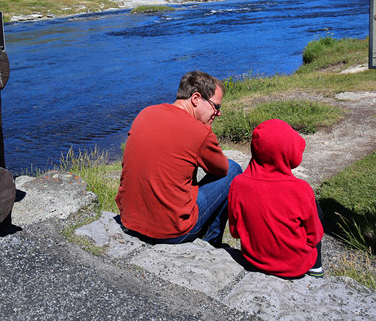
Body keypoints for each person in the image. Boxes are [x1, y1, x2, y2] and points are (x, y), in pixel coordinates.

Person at [115, 70, 242, 246]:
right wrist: (205, 132)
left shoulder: (146, 112)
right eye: (216, 106)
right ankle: (210, 242)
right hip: (171, 231)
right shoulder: (199, 131)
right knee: (234, 168)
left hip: (129, 220)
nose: (218, 113)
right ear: (196, 98)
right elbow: (221, 169)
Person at [228, 118, 324, 278]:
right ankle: (316, 269)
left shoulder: (238, 184)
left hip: (254, 260)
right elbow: (314, 236)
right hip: (296, 266)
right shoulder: (301, 189)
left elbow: (235, 231)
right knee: (316, 211)